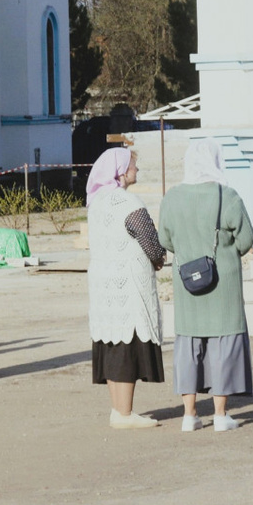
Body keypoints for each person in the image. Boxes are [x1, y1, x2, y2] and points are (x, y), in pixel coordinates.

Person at [157, 139, 253, 432]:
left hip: (187, 279)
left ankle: (189, 415)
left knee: (189, 344)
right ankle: (221, 414)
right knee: (224, 343)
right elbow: (247, 239)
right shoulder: (228, 196)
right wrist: (226, 252)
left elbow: (165, 240)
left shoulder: (172, 197)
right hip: (222, 281)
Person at [86, 147, 166, 429]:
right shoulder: (127, 202)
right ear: (120, 170)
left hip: (103, 285)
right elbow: (149, 238)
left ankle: (118, 410)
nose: (136, 170)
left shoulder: (96, 202)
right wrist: (159, 258)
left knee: (111, 344)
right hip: (127, 287)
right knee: (126, 348)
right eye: (133, 164)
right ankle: (124, 413)